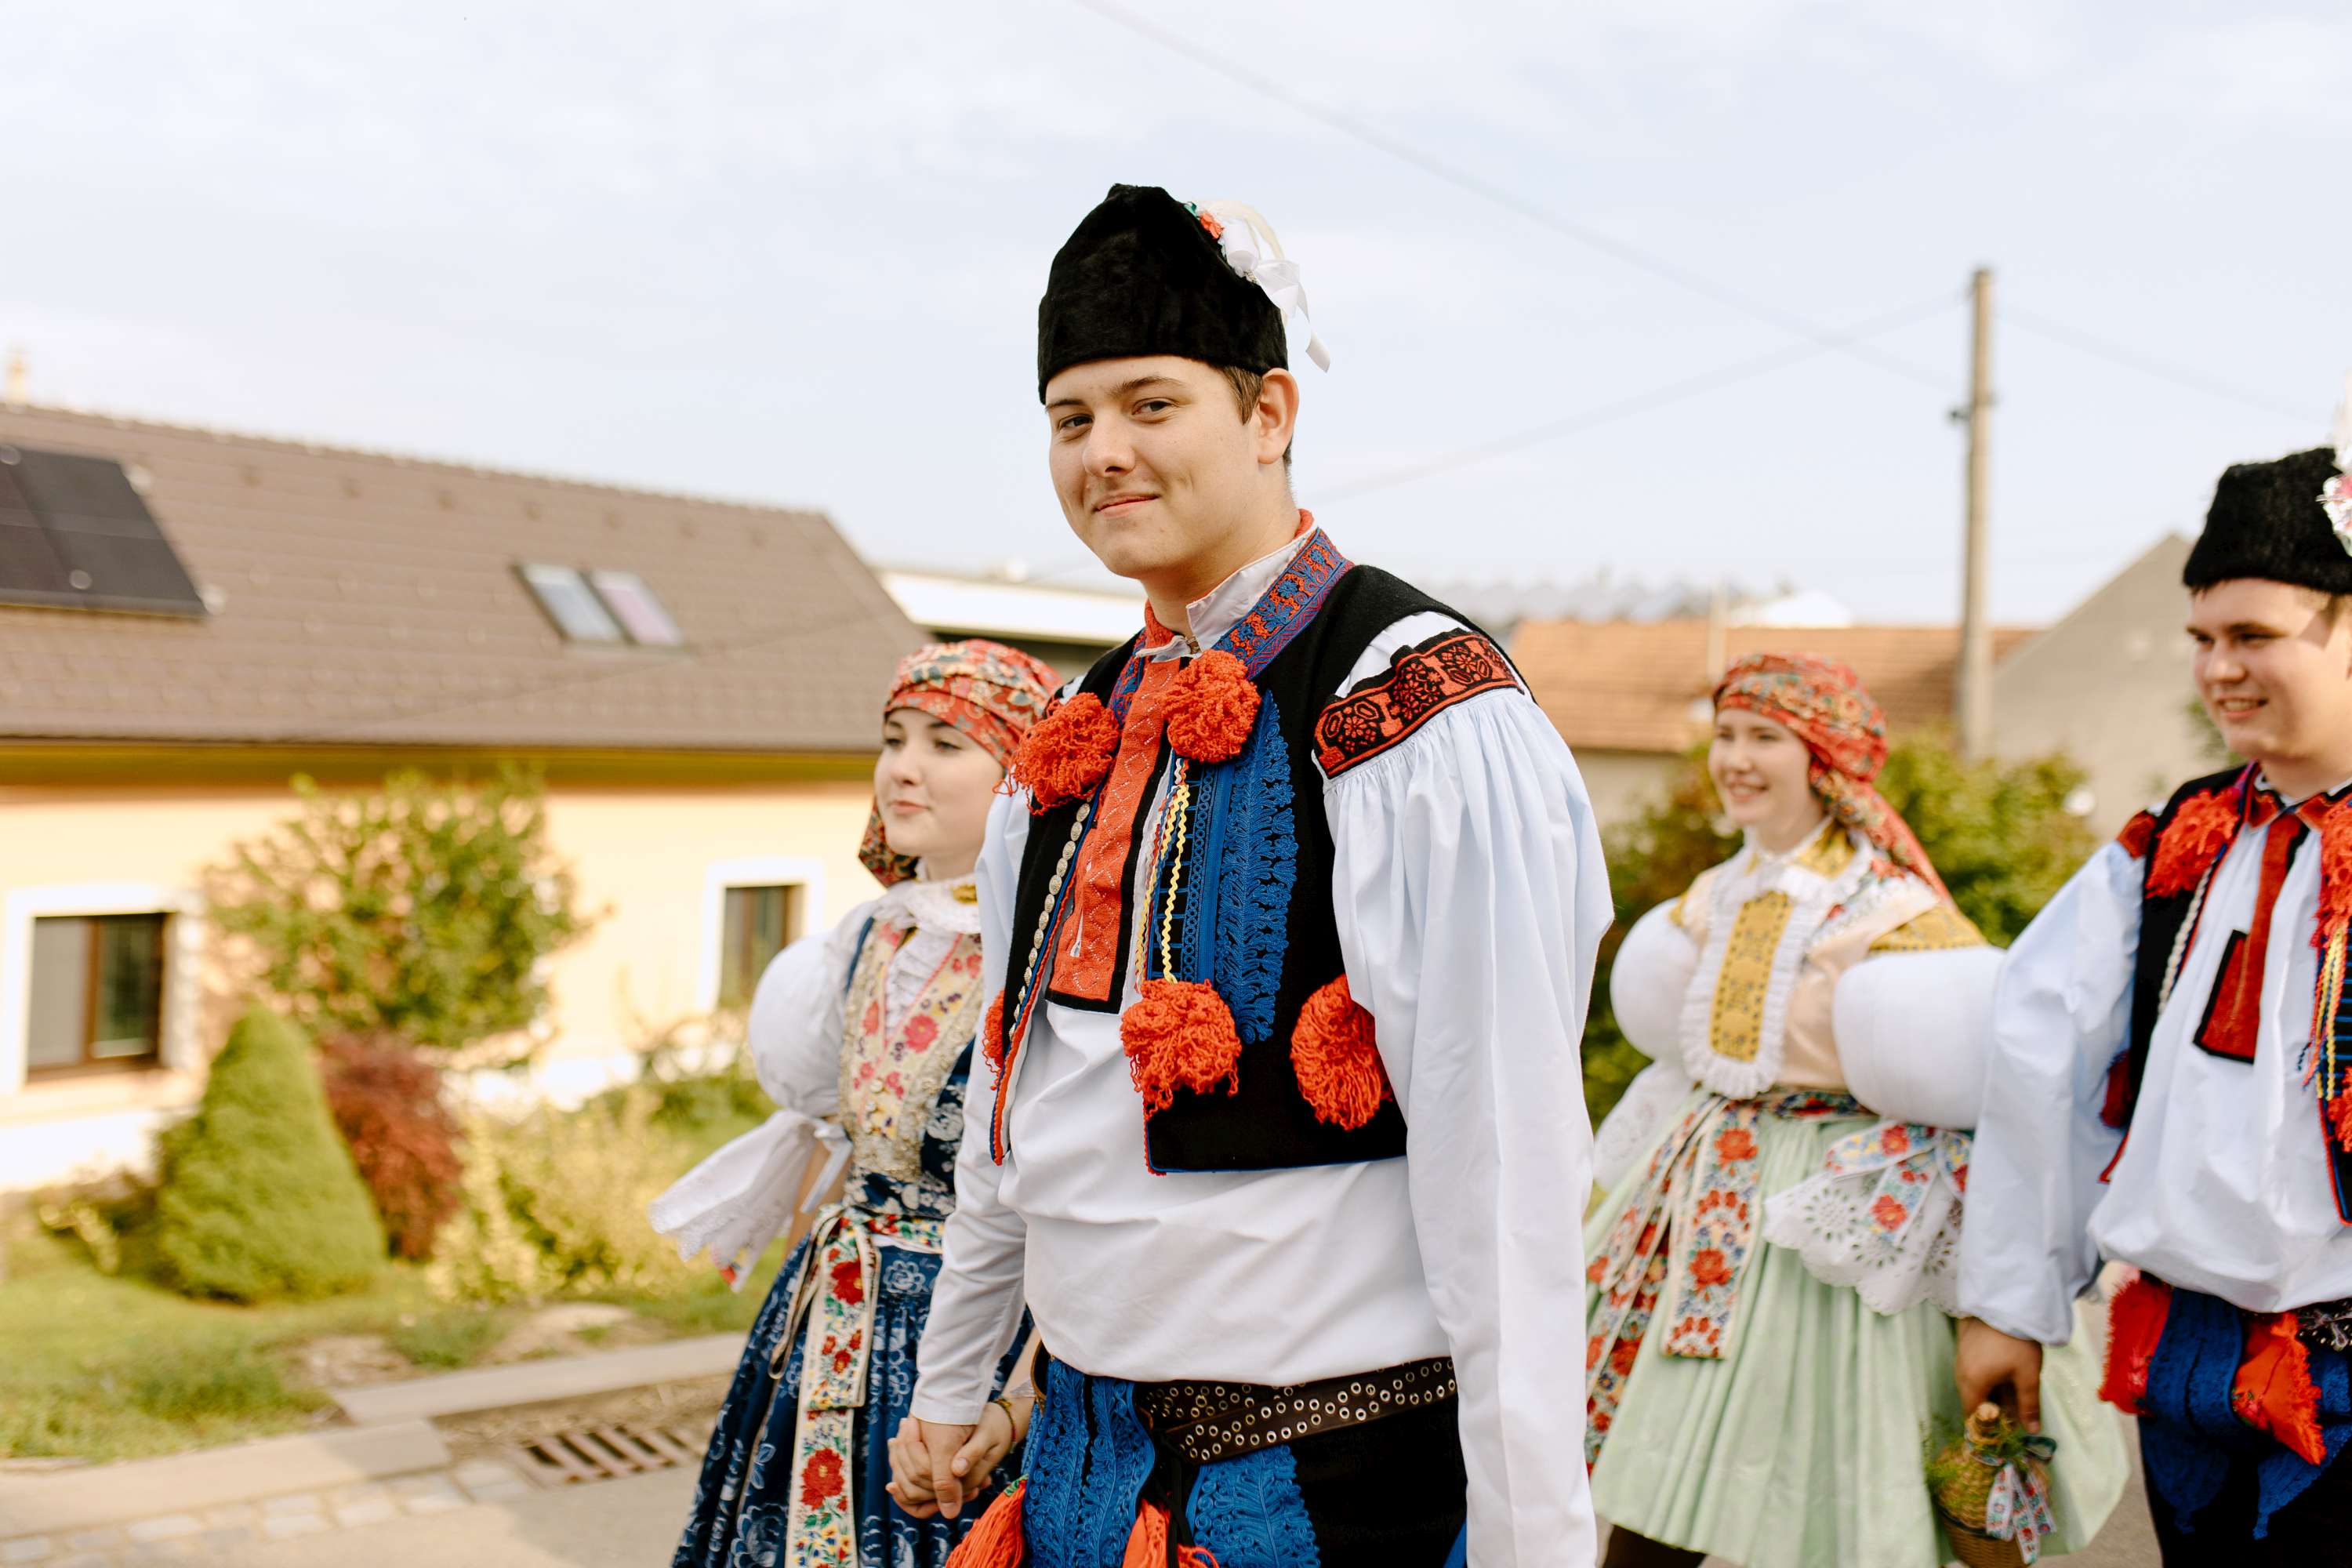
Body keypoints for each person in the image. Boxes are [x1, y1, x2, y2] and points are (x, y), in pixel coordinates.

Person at [888, 184, 1610, 1566]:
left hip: (1324, 1483)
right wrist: (954, 1373)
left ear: (1269, 412)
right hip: (1080, 1468)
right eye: (1071, 419)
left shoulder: (1419, 709)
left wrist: (1536, 1543)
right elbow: (1013, 1103)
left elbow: (1505, 1162)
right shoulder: (1073, 735)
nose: (1104, 452)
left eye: (1151, 404)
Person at [1582, 653, 2125, 1568]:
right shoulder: (1714, 893)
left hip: (1831, 1214)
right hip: (1707, 1200)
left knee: (1843, 1466)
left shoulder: (1891, 909)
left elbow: (1960, 1080)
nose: (1736, 758)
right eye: (1726, 734)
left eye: (1765, 737)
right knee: (1661, 1467)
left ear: (1823, 757)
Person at [1958, 437, 2352, 1563]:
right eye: (2203, 638)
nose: (2220, 667)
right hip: (2181, 1363)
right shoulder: (2173, 845)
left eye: (2255, 635)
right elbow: (2042, 1058)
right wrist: (2008, 1306)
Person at [652, 638, 1060, 1568]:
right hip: (827, 1325)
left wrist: (1017, 1400)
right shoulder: (865, 938)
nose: (903, 767)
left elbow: (1071, 1211)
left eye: (946, 744)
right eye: (893, 737)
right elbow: (832, 1149)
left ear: (1022, 773)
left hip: (979, 1345)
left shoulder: (1050, 954)